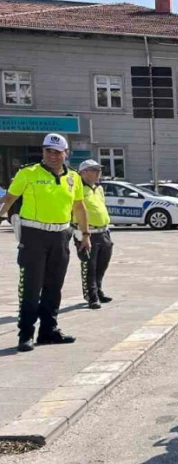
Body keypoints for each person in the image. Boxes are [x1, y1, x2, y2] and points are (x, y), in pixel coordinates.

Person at [0, 134, 90, 352]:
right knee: (31, 287)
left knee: (54, 287)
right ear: (43, 152)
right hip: (34, 236)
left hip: (61, 235)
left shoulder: (74, 178)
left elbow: (79, 207)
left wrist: (85, 235)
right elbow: (9, 199)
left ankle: (49, 331)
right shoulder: (28, 173)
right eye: (48, 151)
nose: (52, 156)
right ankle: (26, 334)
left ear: (65, 154)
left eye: (57, 152)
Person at [74, 159, 113, 309]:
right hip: (87, 232)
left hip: (104, 231)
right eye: (93, 170)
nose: (98, 173)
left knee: (102, 264)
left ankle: (99, 290)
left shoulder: (99, 188)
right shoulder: (77, 188)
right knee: (89, 265)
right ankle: (91, 296)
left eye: (99, 170)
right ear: (83, 172)